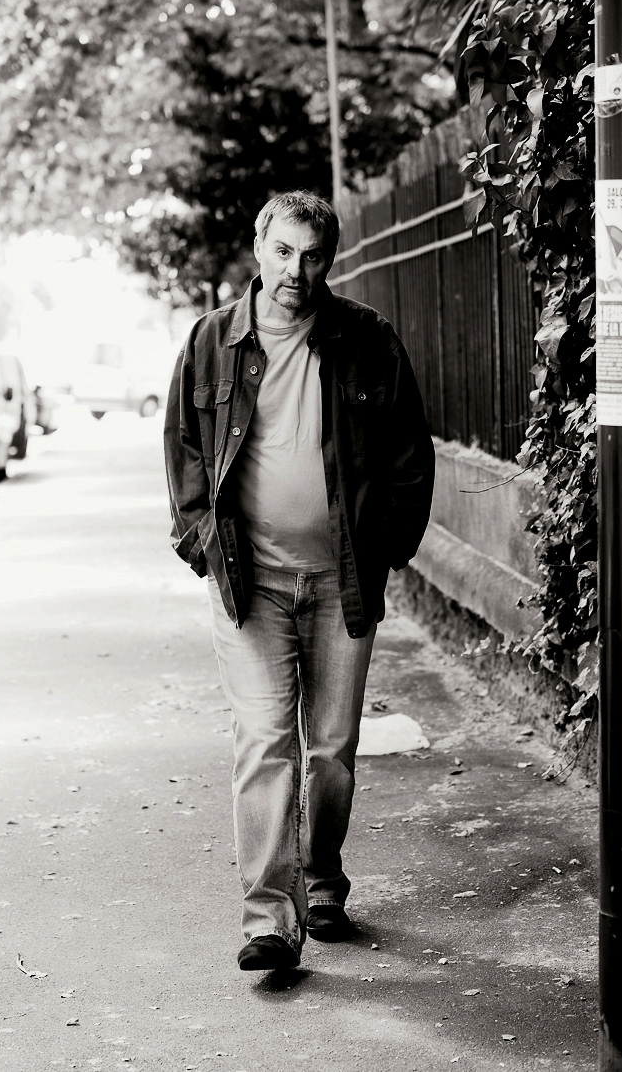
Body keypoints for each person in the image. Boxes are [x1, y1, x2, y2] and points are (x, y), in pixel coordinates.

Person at [164, 190, 434, 971]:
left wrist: (387, 548)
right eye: (283, 251)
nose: (295, 270)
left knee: (332, 749)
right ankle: (269, 919)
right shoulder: (211, 341)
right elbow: (184, 450)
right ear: (259, 248)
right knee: (264, 742)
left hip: (341, 579)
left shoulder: (366, 338)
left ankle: (320, 880)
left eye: (312, 256)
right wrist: (200, 545)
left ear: (329, 260)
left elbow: (407, 452)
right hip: (248, 581)